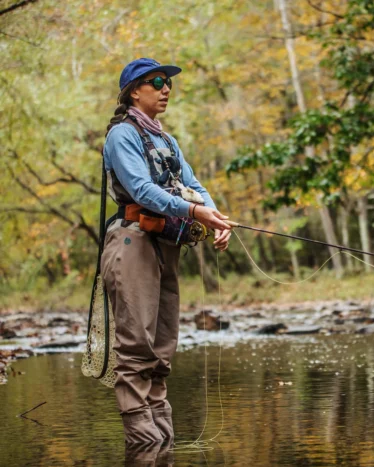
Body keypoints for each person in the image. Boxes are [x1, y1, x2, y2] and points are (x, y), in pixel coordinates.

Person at [102, 58, 231, 445]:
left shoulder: (167, 140)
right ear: (133, 92)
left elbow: (194, 184)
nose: (166, 88)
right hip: (131, 242)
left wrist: (216, 219)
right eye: (156, 81)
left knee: (161, 348)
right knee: (136, 345)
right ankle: (144, 442)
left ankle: (162, 442)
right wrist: (195, 211)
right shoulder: (121, 136)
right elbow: (141, 190)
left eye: (168, 82)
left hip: (165, 244)